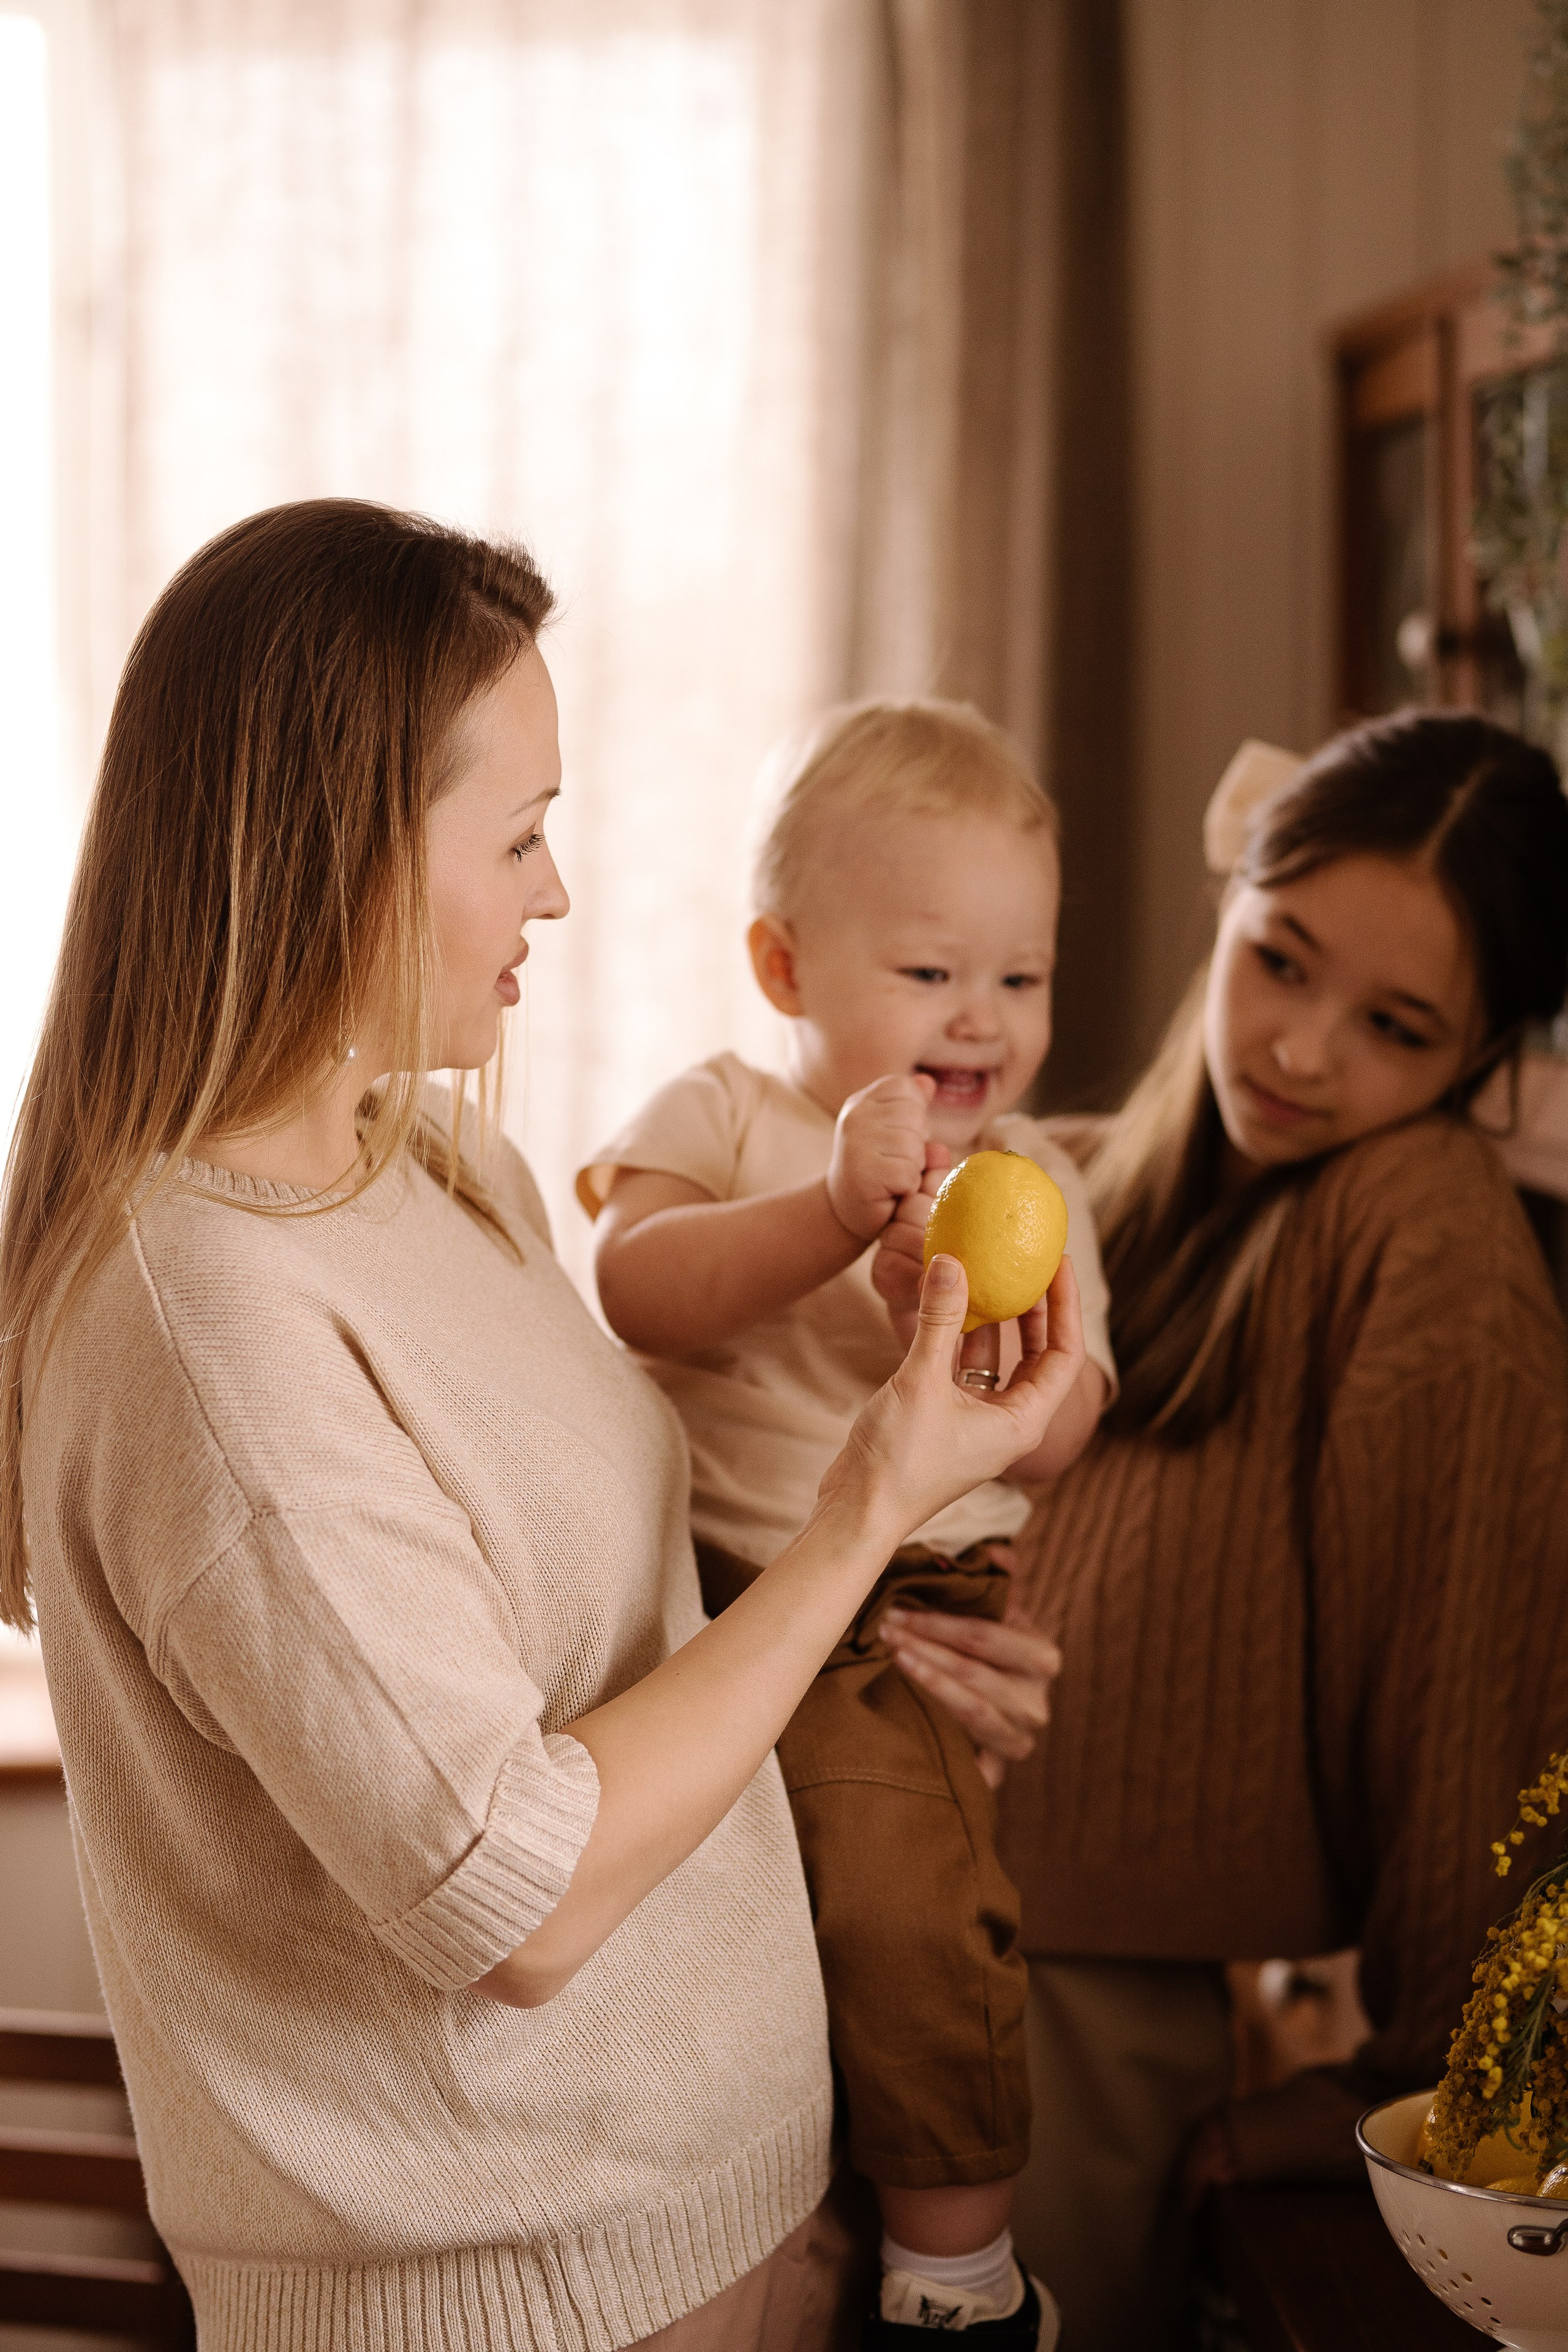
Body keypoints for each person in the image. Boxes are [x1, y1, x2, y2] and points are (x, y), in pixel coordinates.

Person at [0, 500, 1085, 2352]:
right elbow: (516, 1895)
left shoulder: (435, 1165)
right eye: (520, 838)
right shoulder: (199, 1326)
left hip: (746, 2214)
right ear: (335, 847)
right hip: (531, 2305)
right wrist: (860, 1513)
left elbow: (638, 1639)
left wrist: (892, 1653)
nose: (557, 896)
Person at [876, 708, 1568, 2351]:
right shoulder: (1098, 1182)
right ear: (1232, 906)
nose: (1305, 1052)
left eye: (1398, 1026)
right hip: (908, 1927)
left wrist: (1415, 2081)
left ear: (1477, 1061)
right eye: (1283, 961)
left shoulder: (1424, 1233)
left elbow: (1477, 1691)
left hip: (1085, 2010)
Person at [579, 701, 1117, 2348]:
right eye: (933, 972)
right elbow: (637, 1288)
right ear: (784, 965)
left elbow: (1076, 1410)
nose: (984, 1020)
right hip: (700, 1593)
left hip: (901, 1608)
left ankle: (956, 2272)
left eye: (1018, 980)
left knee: (907, 1891)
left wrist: (975, 1358)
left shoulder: (1030, 1176)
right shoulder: (730, 1113)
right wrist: (825, 1215)